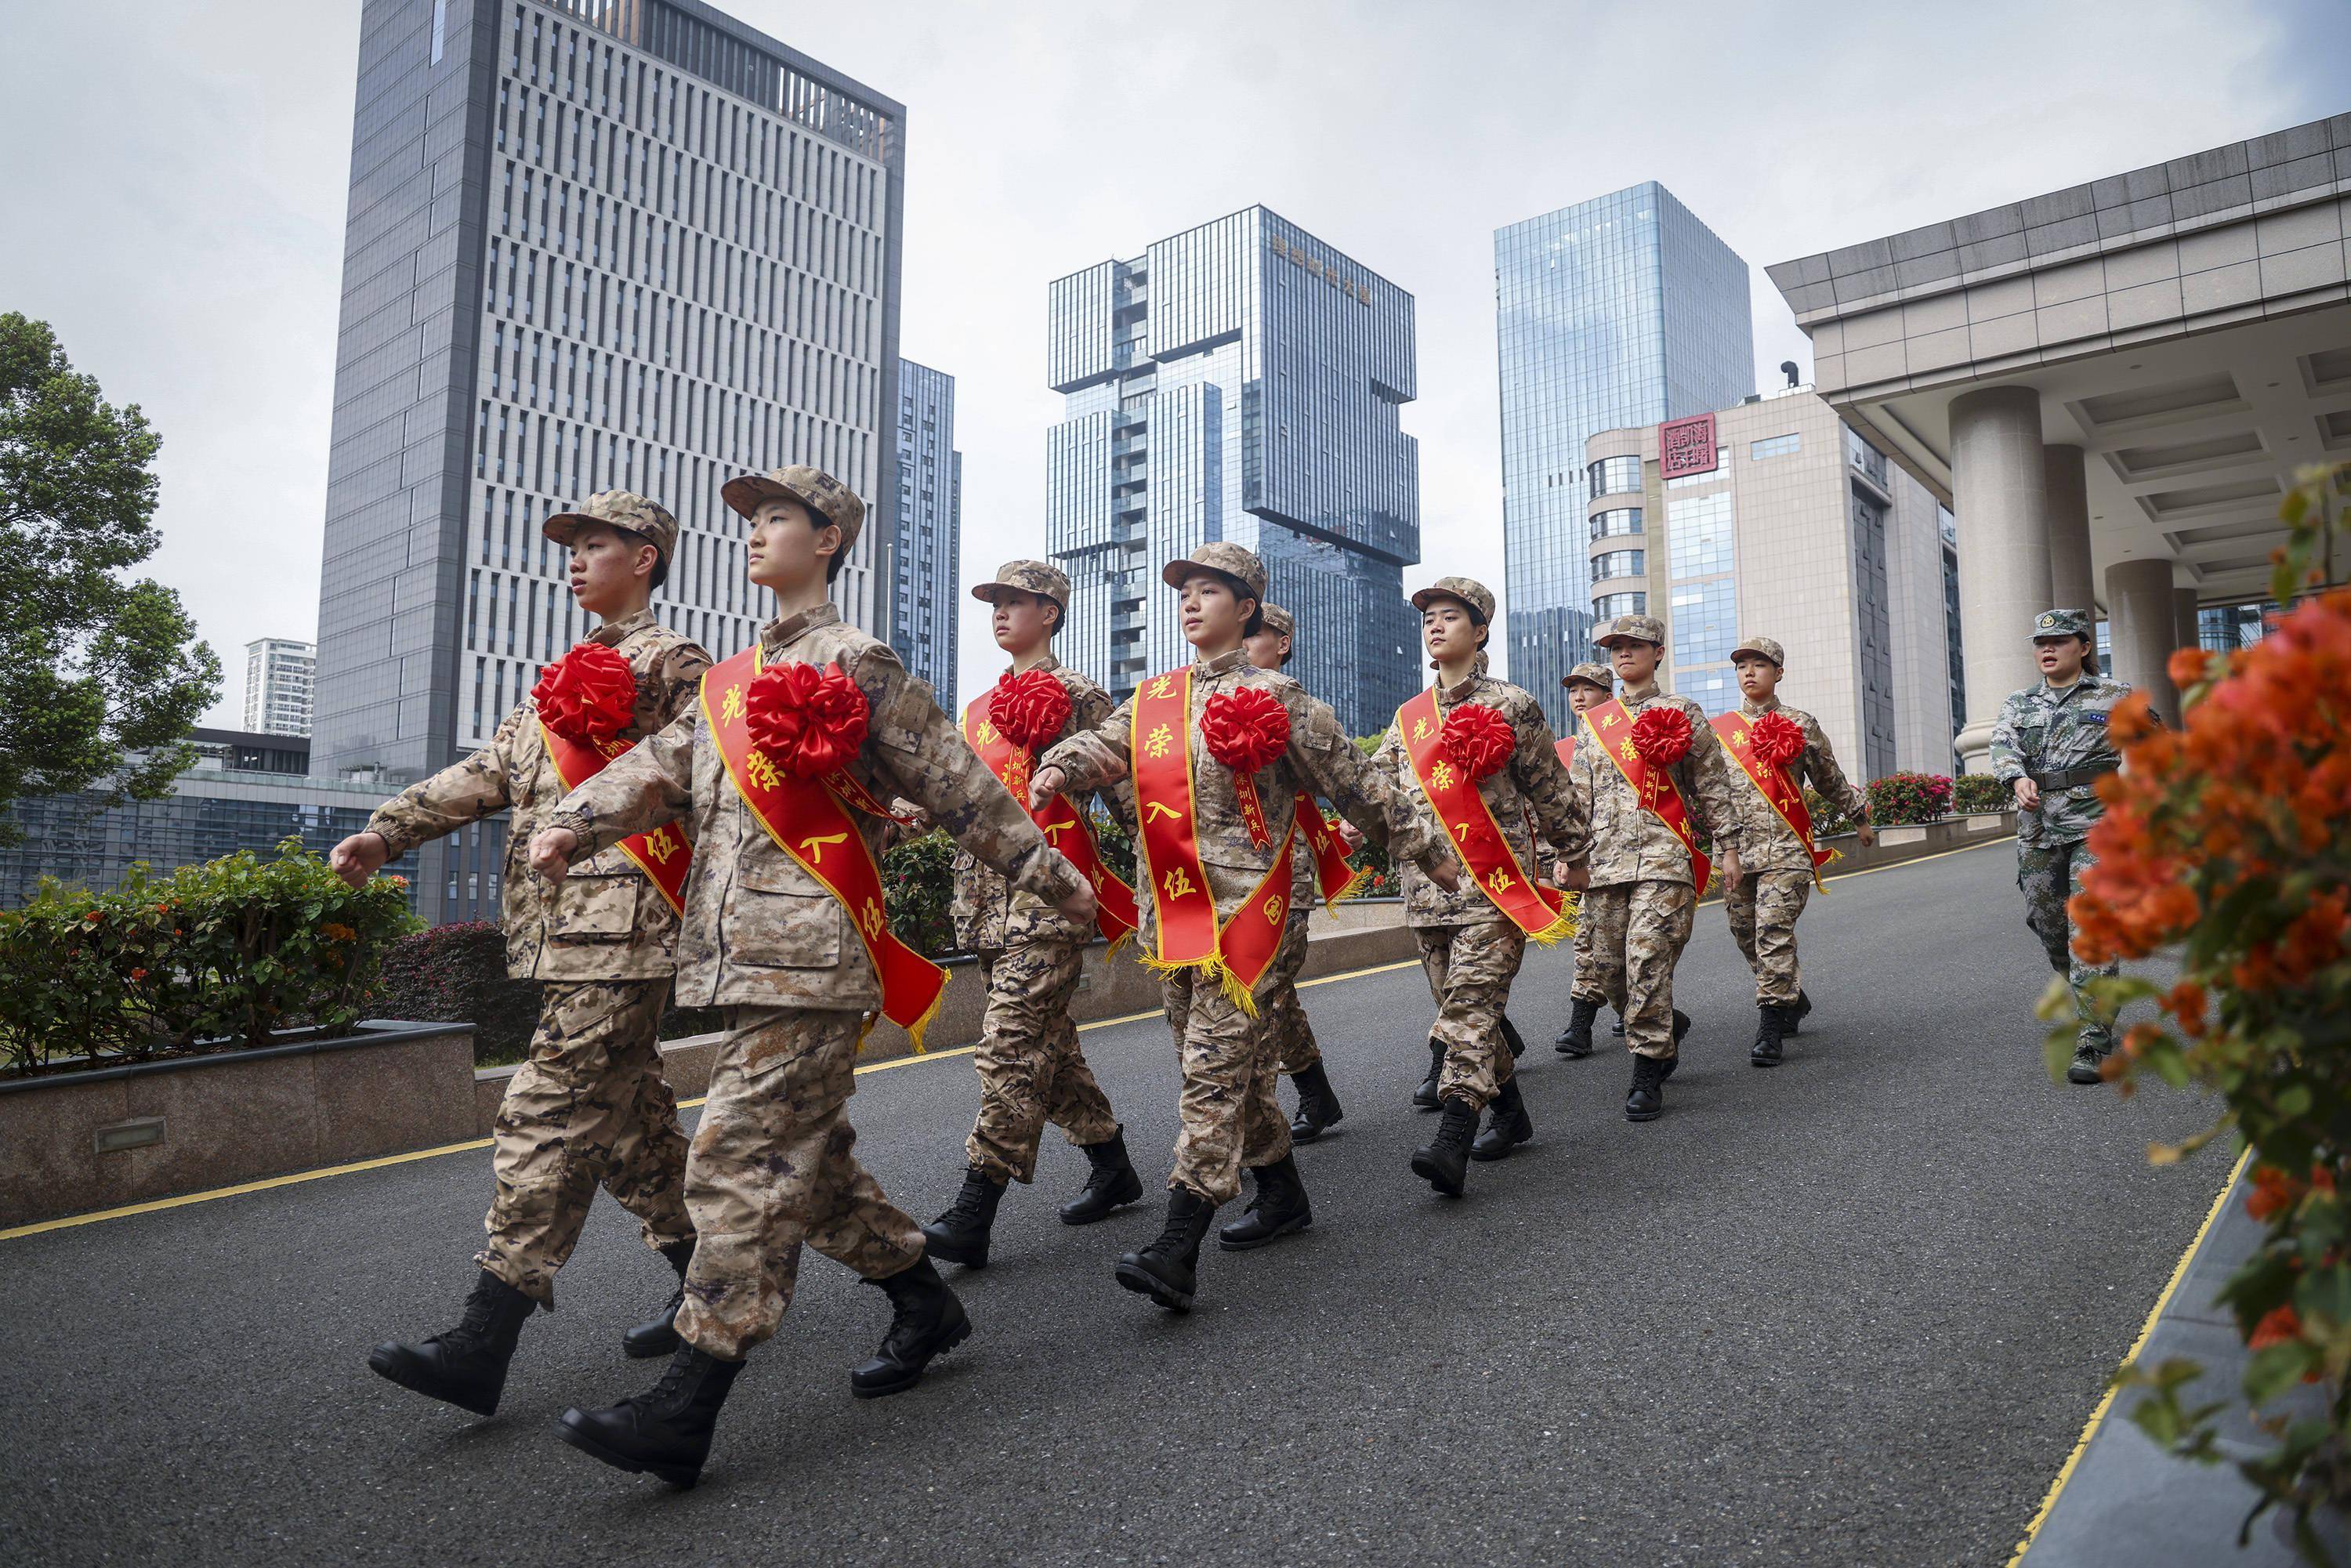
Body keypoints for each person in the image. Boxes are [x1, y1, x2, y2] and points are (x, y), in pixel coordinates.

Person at [525, 465, 1096, 1487]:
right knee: (814, 1171)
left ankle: (685, 1409)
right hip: (741, 955)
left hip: (821, 957)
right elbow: (662, 764)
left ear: (829, 538)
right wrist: (573, 821)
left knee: (736, 1160)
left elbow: (960, 787)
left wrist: (1056, 879)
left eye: (776, 518)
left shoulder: (862, 661)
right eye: (750, 519)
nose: (753, 533)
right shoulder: (731, 680)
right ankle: (925, 1301)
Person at [340, 491, 709, 1420]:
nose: (575, 561)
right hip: (566, 934)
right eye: (573, 548)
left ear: (647, 558)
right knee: (632, 1132)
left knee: (543, 1116)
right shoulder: (559, 678)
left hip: (629, 931)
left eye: (595, 546)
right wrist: (386, 833)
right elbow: (490, 773)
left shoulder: (674, 664)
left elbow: (697, 772)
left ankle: (483, 1339)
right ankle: (711, 1282)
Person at [1031, 543, 1455, 1311]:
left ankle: (1178, 1239)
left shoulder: (1281, 698)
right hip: (1177, 918)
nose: (1190, 603)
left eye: (1208, 591)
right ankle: (1284, 1191)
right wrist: (1061, 765)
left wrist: (1431, 853)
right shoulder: (1157, 698)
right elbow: (1105, 745)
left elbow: (1361, 790)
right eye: (1184, 591)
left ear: (1247, 606)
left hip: (1255, 915)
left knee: (1214, 1069)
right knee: (1229, 1072)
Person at [920, 560, 1145, 1269]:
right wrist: (900, 814)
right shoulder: (979, 708)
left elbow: (1127, 795)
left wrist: (1162, 876)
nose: (999, 612)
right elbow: (957, 792)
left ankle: (974, 1207)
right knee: (1052, 1046)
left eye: (1015, 601)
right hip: (984, 901)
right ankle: (1112, 1163)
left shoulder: (1082, 696)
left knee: (1010, 1047)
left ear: (1051, 612)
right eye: (993, 602)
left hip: (1053, 899)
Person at [1370, 578, 1586, 1197]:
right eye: (1429, 618)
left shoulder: (1511, 704)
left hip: (1495, 889)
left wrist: (1573, 854)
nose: (1435, 627)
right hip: (1427, 893)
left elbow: (1550, 788)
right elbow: (1379, 784)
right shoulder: (1410, 717)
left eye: (1449, 617)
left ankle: (1453, 1139)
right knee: (1466, 1014)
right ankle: (1512, 1113)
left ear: (1481, 630)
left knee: (1467, 1012)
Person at [1553, 614, 1742, 1121]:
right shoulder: (1597, 726)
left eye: (1634, 644)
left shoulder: (1683, 712)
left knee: (1647, 960)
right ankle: (1664, 1024)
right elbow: (1577, 799)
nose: (1623, 653)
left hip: (1665, 859)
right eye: (1615, 646)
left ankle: (1647, 1067)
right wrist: (1567, 856)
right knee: (1609, 970)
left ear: (1658, 650)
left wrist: (1728, 849)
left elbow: (1713, 786)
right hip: (1605, 867)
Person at [1714, 636, 1875, 1066]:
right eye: (1742, 666)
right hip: (1736, 853)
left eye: (1759, 665)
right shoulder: (1719, 731)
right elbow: (1707, 792)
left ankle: (1770, 1026)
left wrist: (1858, 816)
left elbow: (1828, 776)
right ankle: (1792, 997)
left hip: (1786, 850)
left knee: (1772, 929)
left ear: (1778, 673)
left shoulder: (1800, 722)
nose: (1749, 672)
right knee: (1744, 932)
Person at [1987, 608, 2132, 1085]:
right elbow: (2003, 744)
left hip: (2099, 826)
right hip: (2038, 829)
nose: (2047, 650)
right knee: (2048, 924)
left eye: (2060, 641)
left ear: (2084, 647)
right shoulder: (2019, 702)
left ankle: (2093, 1037)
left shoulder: (2115, 697)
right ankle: (2091, 991)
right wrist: (2016, 777)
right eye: (2040, 643)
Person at [1242, 603, 1352, 1145]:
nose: (1243, 642)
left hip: (1282, 872)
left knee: (1269, 993)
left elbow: (1349, 779)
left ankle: (1264, 1131)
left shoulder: (1292, 705)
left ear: (1282, 641)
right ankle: (1316, 1094)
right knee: (1275, 994)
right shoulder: (1202, 700)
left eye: (1255, 633)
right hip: (1224, 880)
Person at [1549, 662, 1621, 1055]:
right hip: (1585, 861)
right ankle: (1581, 1026)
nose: (1579, 696)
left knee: (1630, 944)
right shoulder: (1563, 749)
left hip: (1626, 859)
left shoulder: (1623, 741)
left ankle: (1642, 1012)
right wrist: (1564, 855)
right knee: (1587, 940)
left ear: (1608, 697)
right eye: (1573, 689)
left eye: (1588, 689)